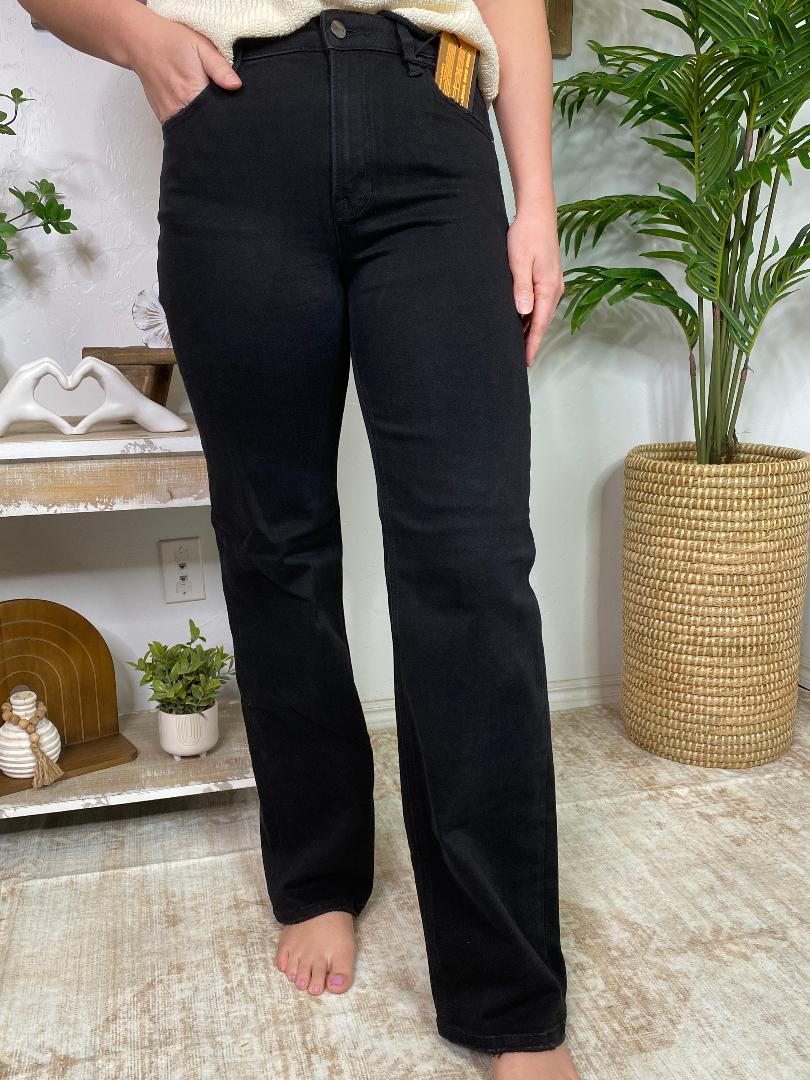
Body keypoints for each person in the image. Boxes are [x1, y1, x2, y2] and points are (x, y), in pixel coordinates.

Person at [19, 1, 581, 1076]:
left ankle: (511, 998)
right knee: (275, 545)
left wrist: (537, 198)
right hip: (239, 128)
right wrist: (142, 40)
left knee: (471, 563)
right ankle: (320, 875)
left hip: (434, 122)